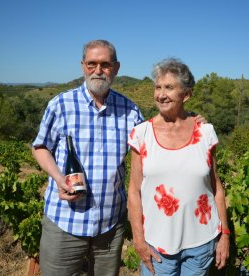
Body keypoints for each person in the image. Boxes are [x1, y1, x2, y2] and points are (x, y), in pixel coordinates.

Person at [32, 40, 144, 276]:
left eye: (105, 64)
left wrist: (187, 122)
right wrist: (59, 178)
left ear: (116, 67)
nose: (98, 70)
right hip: (65, 221)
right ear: (83, 65)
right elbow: (40, 147)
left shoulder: (130, 110)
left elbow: (151, 147)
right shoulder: (61, 105)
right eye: (92, 64)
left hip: (110, 227)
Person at [127, 58, 230, 275]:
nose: (161, 94)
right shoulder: (141, 134)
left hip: (202, 243)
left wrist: (225, 234)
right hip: (157, 245)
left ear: (187, 94)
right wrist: (138, 239)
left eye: (169, 88)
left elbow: (216, 186)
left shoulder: (205, 132)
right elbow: (134, 191)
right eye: (158, 87)